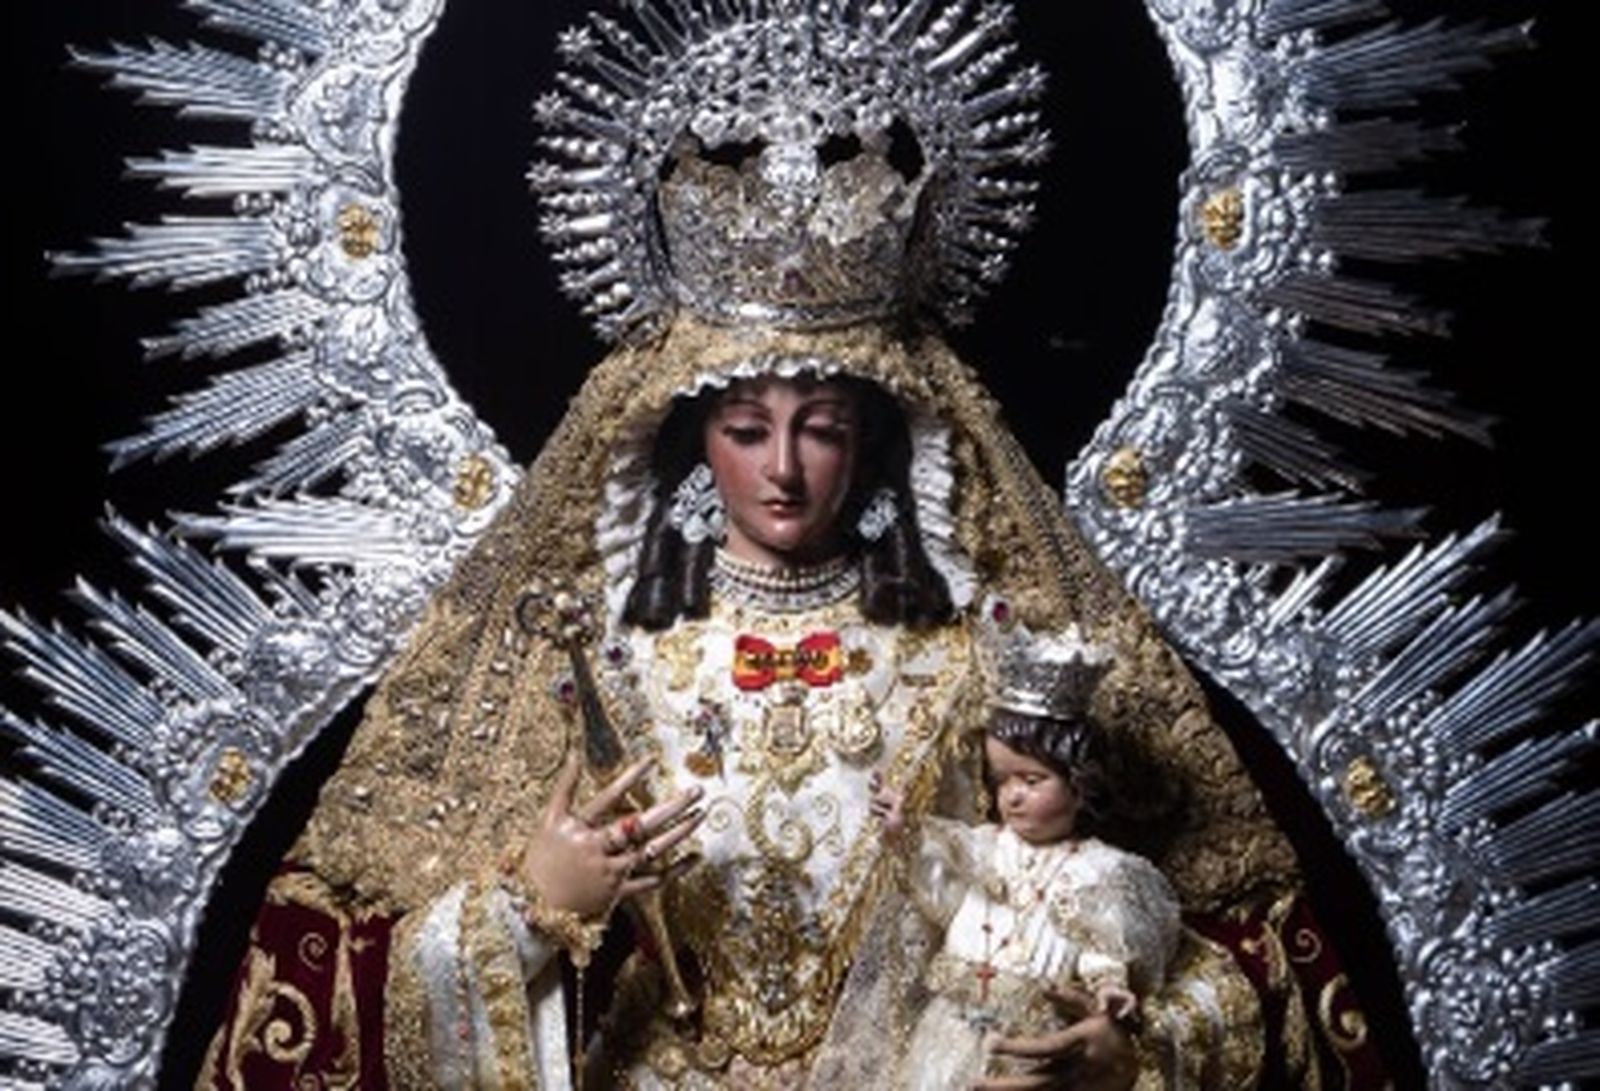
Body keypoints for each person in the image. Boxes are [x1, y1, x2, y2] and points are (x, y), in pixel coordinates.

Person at [195, 6, 1377, 1088]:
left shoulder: (978, 654)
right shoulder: (594, 655)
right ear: (687, 434)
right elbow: (336, 970)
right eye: (745, 428)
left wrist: (1128, 1047)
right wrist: (529, 909)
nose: (783, 468)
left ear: (874, 439)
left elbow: (1215, 946)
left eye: (821, 427)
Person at [865, 627, 1181, 1089]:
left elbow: (1103, 947)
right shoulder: (979, 847)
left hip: (1031, 1041)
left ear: (1080, 786)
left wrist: (1109, 987)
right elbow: (940, 893)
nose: (1012, 797)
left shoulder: (1100, 871)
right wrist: (903, 836)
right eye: (1001, 780)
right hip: (948, 1030)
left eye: (1032, 781)